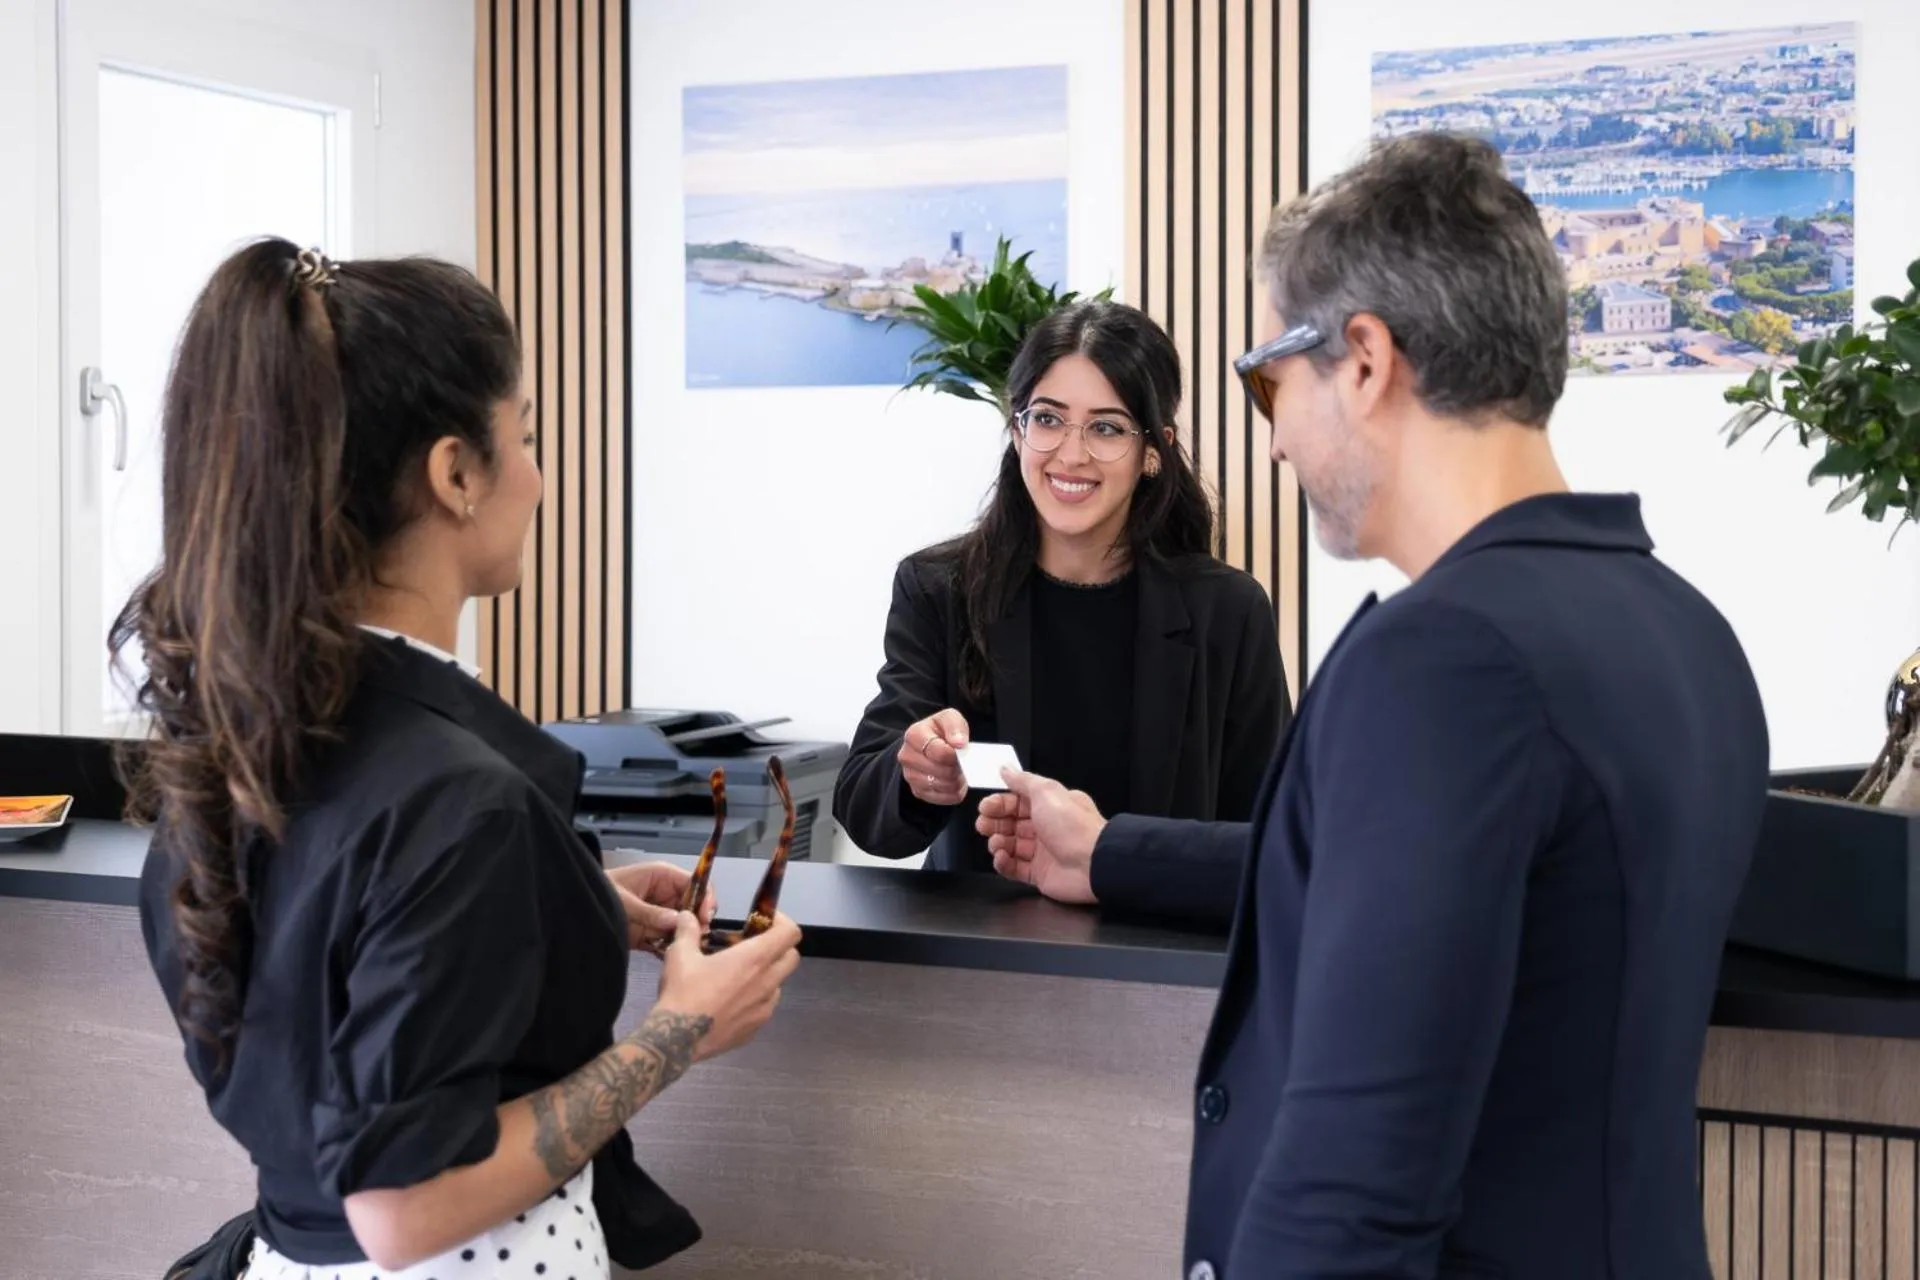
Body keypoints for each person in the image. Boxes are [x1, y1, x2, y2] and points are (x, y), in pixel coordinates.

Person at [981, 133, 1769, 1279]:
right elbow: (1408, 885)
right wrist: (1108, 854)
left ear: (1363, 360)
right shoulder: (1685, 631)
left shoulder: (1443, 661)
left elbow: (1356, 1177)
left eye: (1268, 380)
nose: (1276, 433)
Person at [121, 239, 802, 1279]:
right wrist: (677, 1033)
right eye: (522, 435)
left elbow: (339, 960)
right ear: (455, 473)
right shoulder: (459, 802)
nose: (535, 474)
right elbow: (402, 1203)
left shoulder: (246, 743)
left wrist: (559, 901)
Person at [831, 300, 1290, 897]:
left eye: (1105, 427)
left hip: (1157, 963)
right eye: (1048, 419)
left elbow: (1272, 837)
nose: (1071, 455)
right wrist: (916, 774)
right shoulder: (938, 589)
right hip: (975, 962)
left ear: (1154, 450)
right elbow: (864, 808)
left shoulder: (1227, 612)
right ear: (1017, 428)